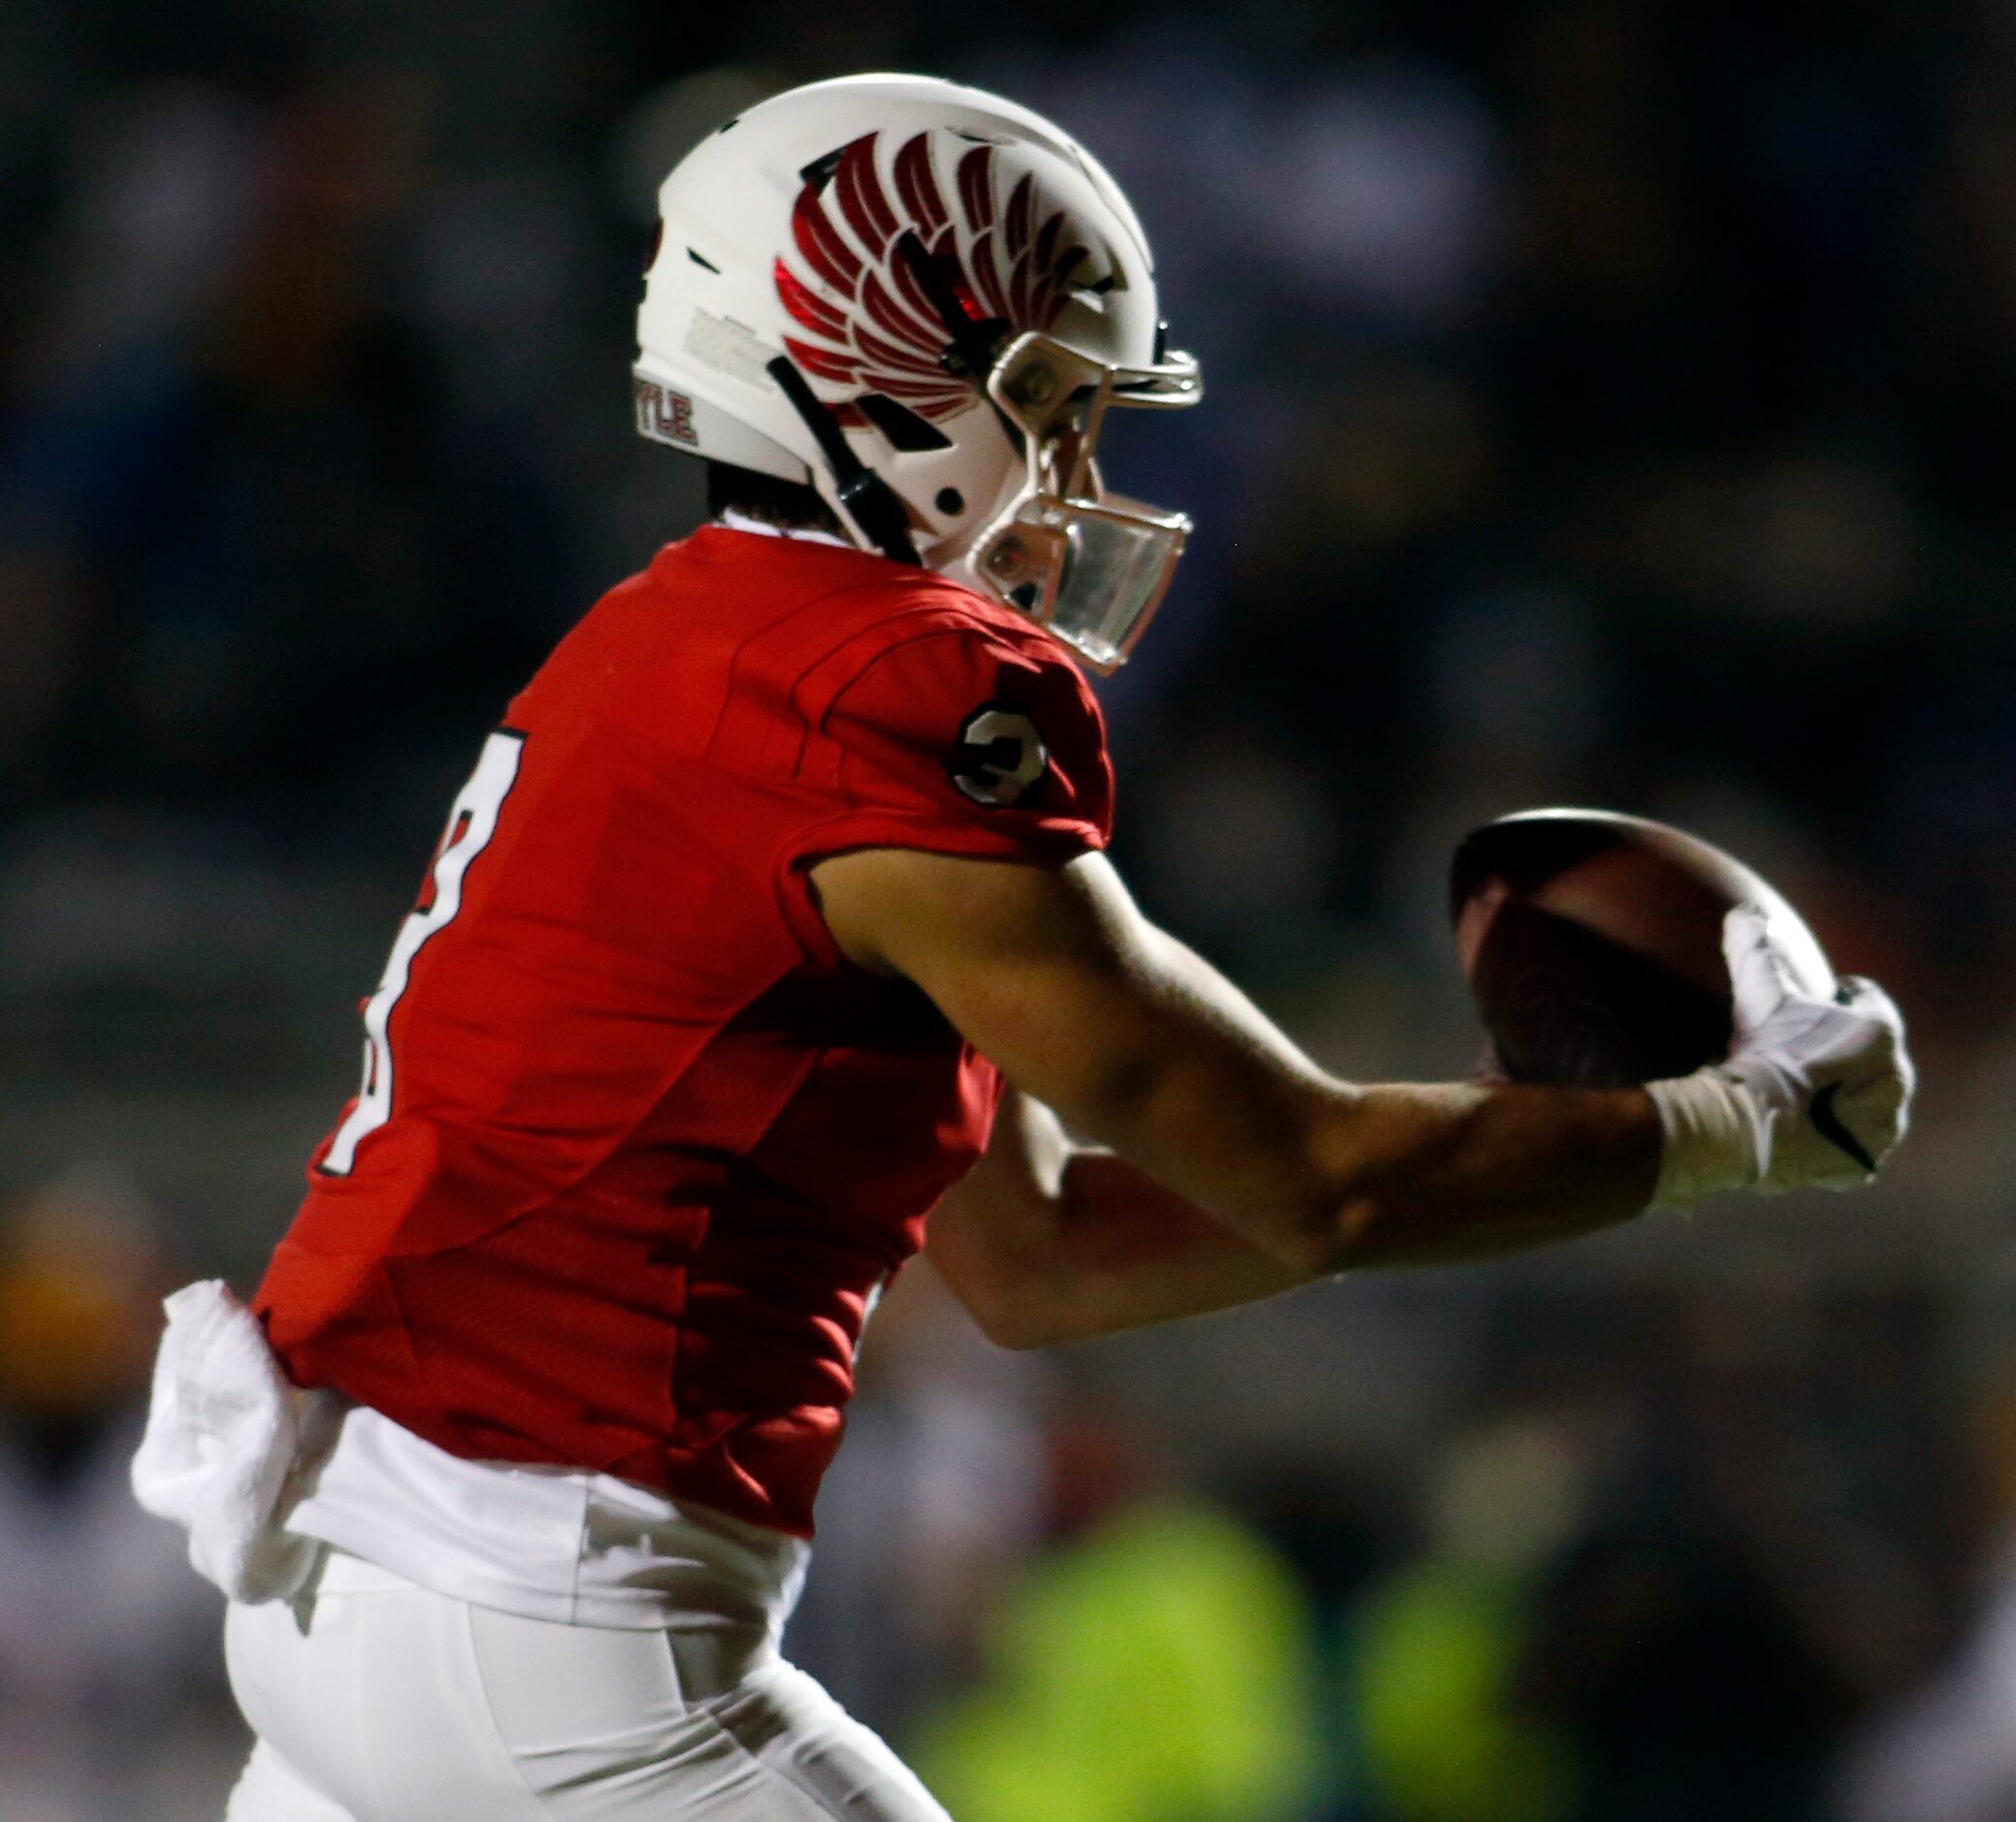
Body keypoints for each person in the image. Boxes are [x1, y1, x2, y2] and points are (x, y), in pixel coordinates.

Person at [131, 73, 1914, 1822]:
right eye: (1051, 402)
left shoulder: (689, 638)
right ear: (877, 373)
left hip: (344, 1593)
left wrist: (1481, 1139)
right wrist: (1736, 1124)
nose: (1077, 466)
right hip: (553, 1634)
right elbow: (1311, 1178)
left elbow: (1040, 1252)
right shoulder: (886, 681)